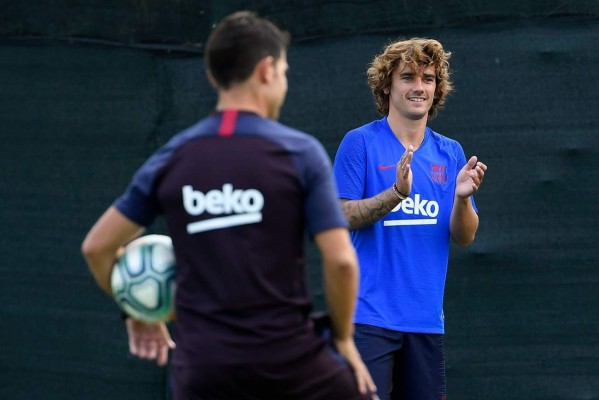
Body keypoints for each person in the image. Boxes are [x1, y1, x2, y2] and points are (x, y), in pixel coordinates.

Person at [81, 11, 377, 400]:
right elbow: (340, 261)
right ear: (267, 70)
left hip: (201, 371)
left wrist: (138, 310)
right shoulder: (299, 153)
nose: (283, 83)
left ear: (212, 77)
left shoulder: (173, 157)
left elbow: (97, 248)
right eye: (285, 72)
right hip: (290, 363)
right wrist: (342, 340)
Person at [332, 38, 488, 400]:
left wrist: (463, 200)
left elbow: (464, 237)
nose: (420, 87)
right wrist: (395, 194)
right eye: (408, 77)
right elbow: (340, 216)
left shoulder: (450, 153)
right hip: (368, 320)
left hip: (425, 322)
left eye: (429, 79)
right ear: (387, 85)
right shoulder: (360, 143)